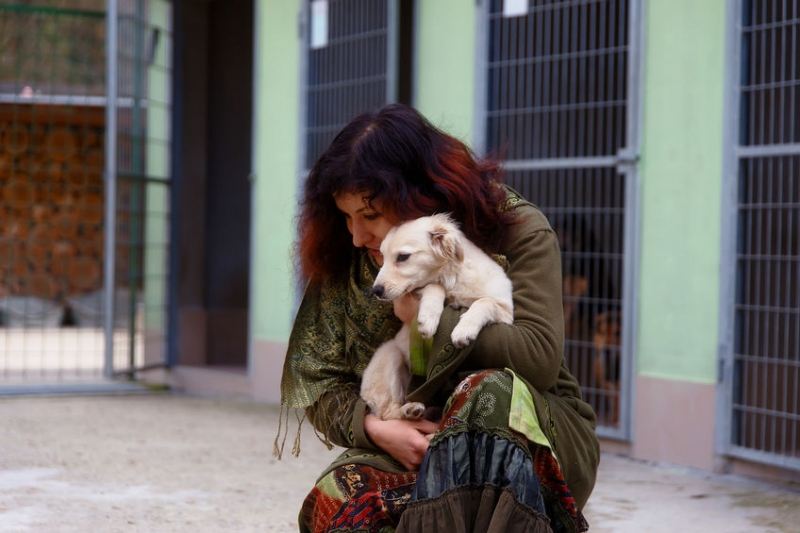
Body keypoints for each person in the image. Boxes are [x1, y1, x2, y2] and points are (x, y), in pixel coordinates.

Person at [276, 103, 600, 533]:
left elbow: (537, 358)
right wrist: (377, 430)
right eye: (346, 216)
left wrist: (431, 319)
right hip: (413, 437)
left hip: (530, 439)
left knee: (486, 393)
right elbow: (319, 377)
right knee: (341, 496)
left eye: (370, 215)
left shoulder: (516, 227)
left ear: (418, 194)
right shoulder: (356, 253)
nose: (357, 235)